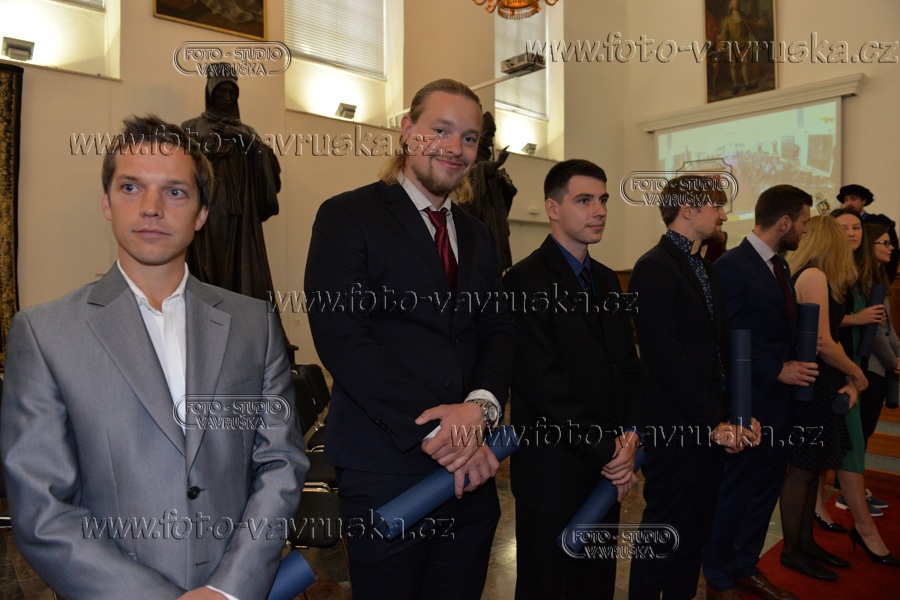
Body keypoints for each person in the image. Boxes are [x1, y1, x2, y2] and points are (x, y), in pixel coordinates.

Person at [0, 115, 307, 599]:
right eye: (130, 187)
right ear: (106, 202)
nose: (151, 208)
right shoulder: (44, 334)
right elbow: (43, 509)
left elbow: (281, 464)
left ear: (202, 213)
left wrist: (230, 588)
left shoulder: (253, 324)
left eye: (175, 192)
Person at [304, 79, 516, 599]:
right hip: (385, 466)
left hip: (470, 473)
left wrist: (480, 409)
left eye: (469, 138)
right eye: (440, 130)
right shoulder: (346, 216)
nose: (455, 147)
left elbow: (498, 331)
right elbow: (343, 338)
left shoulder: (479, 235)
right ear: (407, 130)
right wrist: (442, 431)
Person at [503, 159, 643, 599]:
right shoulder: (524, 280)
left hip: (607, 467)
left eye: (602, 200)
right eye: (584, 200)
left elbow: (628, 367)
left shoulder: (606, 279)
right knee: (548, 586)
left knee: (595, 585)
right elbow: (544, 387)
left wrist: (631, 437)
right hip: (554, 471)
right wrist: (610, 452)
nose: (599, 210)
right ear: (552, 208)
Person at [628, 175, 759, 600]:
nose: (724, 216)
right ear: (687, 210)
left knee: (694, 537)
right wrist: (713, 422)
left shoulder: (706, 268)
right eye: (717, 207)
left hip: (709, 425)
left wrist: (738, 415)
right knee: (662, 536)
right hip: (676, 427)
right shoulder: (654, 266)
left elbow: (721, 352)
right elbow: (666, 360)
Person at [703, 185, 816, 600]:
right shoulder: (732, 266)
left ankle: (745, 565)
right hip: (746, 401)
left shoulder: (778, 264)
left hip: (777, 405)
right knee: (735, 493)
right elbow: (724, 338)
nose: (805, 231)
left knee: (764, 492)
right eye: (803, 223)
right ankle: (717, 575)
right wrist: (776, 369)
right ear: (784, 222)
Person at [182, 64, 282, 304]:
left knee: (241, 268)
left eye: (231, 92)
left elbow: (268, 163)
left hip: (240, 215)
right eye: (221, 91)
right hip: (207, 211)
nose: (226, 97)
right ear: (210, 91)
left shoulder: (247, 131)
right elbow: (180, 166)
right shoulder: (191, 127)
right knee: (207, 265)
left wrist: (241, 137)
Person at [862, 222, 900, 440]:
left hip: (882, 366)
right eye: (885, 243)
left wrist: (898, 355)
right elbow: (874, 331)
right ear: (870, 245)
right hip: (871, 367)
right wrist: (893, 362)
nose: (891, 247)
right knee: (863, 430)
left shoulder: (879, 279)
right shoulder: (863, 282)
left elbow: (888, 327)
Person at [838, 184, 899, 282]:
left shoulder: (880, 222)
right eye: (846, 200)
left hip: (876, 278)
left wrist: (886, 281)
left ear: (864, 200)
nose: (849, 203)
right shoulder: (837, 222)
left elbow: (892, 254)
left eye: (853, 199)